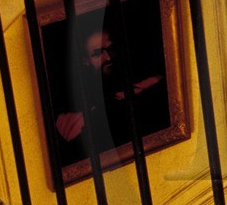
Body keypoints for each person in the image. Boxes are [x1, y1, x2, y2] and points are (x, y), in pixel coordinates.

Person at [55, 23, 166, 168]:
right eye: (97, 53)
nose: (107, 57)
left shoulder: (154, 84)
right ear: (85, 61)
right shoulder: (74, 116)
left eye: (111, 49)